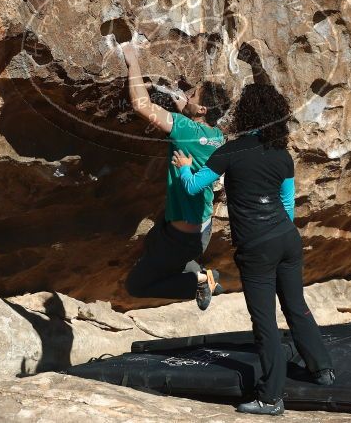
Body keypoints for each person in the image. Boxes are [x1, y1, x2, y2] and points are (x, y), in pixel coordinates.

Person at [172, 83, 334, 416]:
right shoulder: (282, 155)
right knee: (295, 305)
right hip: (287, 239)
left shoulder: (231, 150)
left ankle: (271, 398)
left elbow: (192, 187)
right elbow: (288, 205)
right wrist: (278, 234)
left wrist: (183, 164)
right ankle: (323, 369)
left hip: (256, 246)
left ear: (247, 114)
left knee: (265, 323)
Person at [121, 42, 231, 310]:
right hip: (200, 228)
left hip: (180, 237)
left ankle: (201, 280)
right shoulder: (218, 137)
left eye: (194, 96)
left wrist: (132, 61)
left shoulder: (185, 129)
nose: (187, 96)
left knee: (136, 286)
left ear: (203, 110)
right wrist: (186, 112)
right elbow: (198, 136)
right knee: (154, 243)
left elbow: (140, 104)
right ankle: (196, 271)